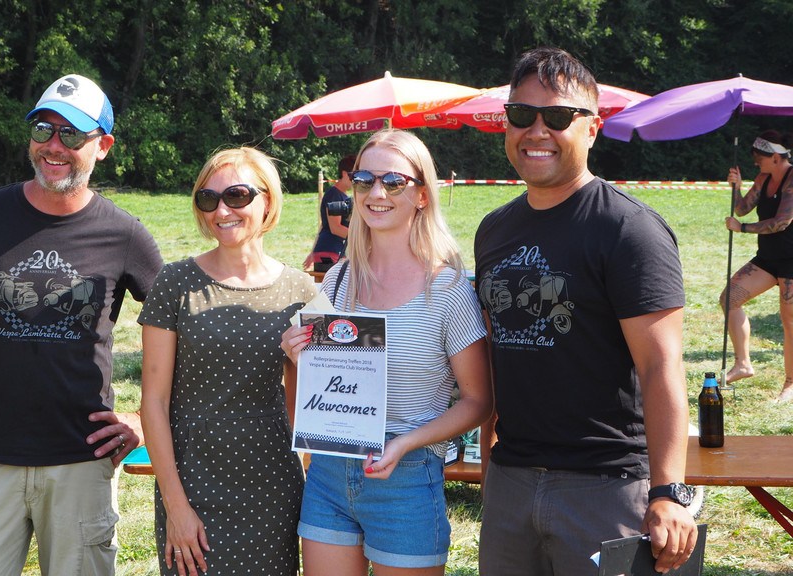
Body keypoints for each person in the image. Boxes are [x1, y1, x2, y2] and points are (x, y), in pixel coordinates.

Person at [0, 74, 163, 576]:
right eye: (43, 129)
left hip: (82, 461)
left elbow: (175, 330)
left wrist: (142, 418)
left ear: (103, 146)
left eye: (71, 134)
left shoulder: (123, 234)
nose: (54, 145)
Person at [473, 47, 698, 575]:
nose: (537, 131)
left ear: (592, 129)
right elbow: (496, 357)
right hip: (512, 482)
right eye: (521, 114)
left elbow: (661, 365)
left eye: (557, 117)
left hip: (606, 486)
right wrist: (490, 468)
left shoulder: (629, 229)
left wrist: (669, 491)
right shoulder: (494, 230)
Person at [282, 129, 492, 576]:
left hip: (408, 477)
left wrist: (405, 443)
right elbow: (322, 380)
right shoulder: (339, 279)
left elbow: (478, 401)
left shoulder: (448, 289)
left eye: (394, 182)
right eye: (364, 180)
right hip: (329, 470)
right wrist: (299, 354)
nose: (376, 193)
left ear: (422, 195)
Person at [139, 147, 316, 576]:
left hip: (272, 487)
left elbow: (307, 410)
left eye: (237, 195)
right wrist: (176, 506)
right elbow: (153, 403)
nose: (222, 210)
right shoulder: (175, 283)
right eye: (208, 199)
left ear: (267, 201)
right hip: (192, 484)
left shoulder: (301, 291)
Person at [721, 130, 793, 403]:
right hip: (768, 259)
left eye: (759, 157)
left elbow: (782, 222)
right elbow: (741, 209)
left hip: (791, 260)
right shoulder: (763, 179)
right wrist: (736, 187)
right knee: (729, 299)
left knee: (790, 321)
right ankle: (743, 365)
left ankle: (791, 383)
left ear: (775, 157)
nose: (755, 162)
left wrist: (743, 229)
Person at [304, 154, 356, 271]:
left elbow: (323, 226)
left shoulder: (341, 195)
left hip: (332, 250)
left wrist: (313, 251)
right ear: (344, 173)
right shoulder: (334, 194)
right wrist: (362, 238)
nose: (356, 180)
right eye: (353, 176)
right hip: (330, 252)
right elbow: (335, 228)